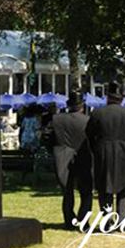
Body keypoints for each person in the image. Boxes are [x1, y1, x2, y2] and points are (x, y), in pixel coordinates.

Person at [86, 82, 125, 222]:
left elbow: (89, 134)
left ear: (108, 97)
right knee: (123, 188)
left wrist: (96, 148)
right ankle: (122, 219)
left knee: (104, 187)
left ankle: (108, 220)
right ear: (121, 98)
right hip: (123, 152)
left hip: (102, 152)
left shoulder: (97, 113)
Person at [50, 90, 93, 229]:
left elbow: (51, 139)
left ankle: (69, 220)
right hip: (83, 156)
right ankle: (84, 219)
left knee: (67, 192)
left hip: (62, 156)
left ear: (68, 105)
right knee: (86, 191)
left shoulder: (57, 119)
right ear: (82, 106)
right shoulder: (87, 120)